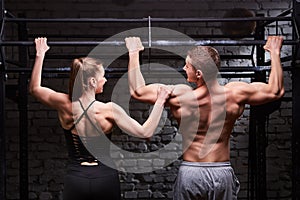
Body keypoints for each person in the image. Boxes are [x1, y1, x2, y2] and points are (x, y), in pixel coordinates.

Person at [125, 36, 284, 200]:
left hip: (191, 173)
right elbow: (276, 91)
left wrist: (134, 52)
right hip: (221, 172)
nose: (184, 67)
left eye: (187, 65)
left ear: (198, 73)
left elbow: (138, 91)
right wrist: (274, 52)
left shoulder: (181, 96)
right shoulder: (235, 94)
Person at [29, 37, 171, 200]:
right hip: (104, 178)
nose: (106, 79)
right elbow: (145, 132)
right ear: (92, 81)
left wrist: (40, 54)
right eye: (103, 76)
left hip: (76, 179)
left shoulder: (64, 104)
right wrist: (160, 101)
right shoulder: (108, 110)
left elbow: (34, 88)